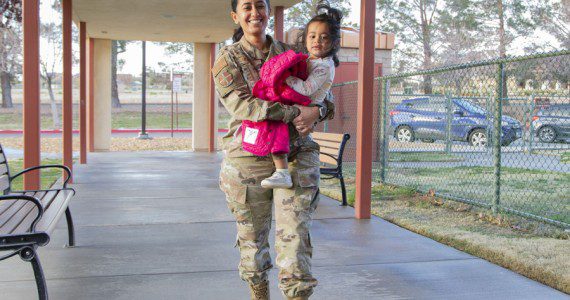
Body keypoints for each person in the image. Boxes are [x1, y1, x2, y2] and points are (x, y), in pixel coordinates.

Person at [212, 0, 336, 299]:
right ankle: (259, 293)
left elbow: (324, 98)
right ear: (236, 15)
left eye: (260, 5)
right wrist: (296, 113)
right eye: (247, 6)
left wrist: (317, 112)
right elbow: (242, 105)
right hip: (248, 159)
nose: (255, 12)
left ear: (268, 12)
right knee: (253, 243)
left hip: (295, 155)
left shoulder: (294, 54)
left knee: (294, 240)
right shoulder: (227, 59)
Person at [259, 7, 342, 189]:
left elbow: (306, 89)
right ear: (305, 38)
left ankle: (282, 172)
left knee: (278, 128)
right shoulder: (309, 59)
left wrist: (284, 77)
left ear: (334, 42)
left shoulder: (323, 65)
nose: (317, 41)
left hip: (305, 105)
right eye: (312, 36)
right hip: (300, 106)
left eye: (324, 37)